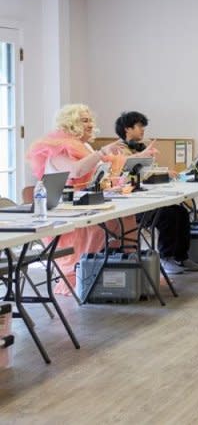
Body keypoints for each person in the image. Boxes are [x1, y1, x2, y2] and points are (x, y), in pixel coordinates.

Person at [26, 104, 133, 294]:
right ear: (71, 123)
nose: (90, 124)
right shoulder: (57, 149)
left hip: (82, 205)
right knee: (100, 224)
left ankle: (114, 272)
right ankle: (83, 275)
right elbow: (76, 171)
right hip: (60, 213)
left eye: (90, 119)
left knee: (122, 218)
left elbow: (97, 173)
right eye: (84, 120)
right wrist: (101, 153)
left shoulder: (85, 146)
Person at [114, 111, 198, 274]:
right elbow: (128, 176)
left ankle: (181, 257)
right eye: (139, 126)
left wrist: (162, 171)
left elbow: (149, 172)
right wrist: (161, 172)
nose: (143, 130)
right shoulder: (118, 151)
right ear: (127, 129)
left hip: (146, 199)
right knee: (167, 216)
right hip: (132, 206)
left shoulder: (140, 148)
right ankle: (166, 257)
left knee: (181, 212)